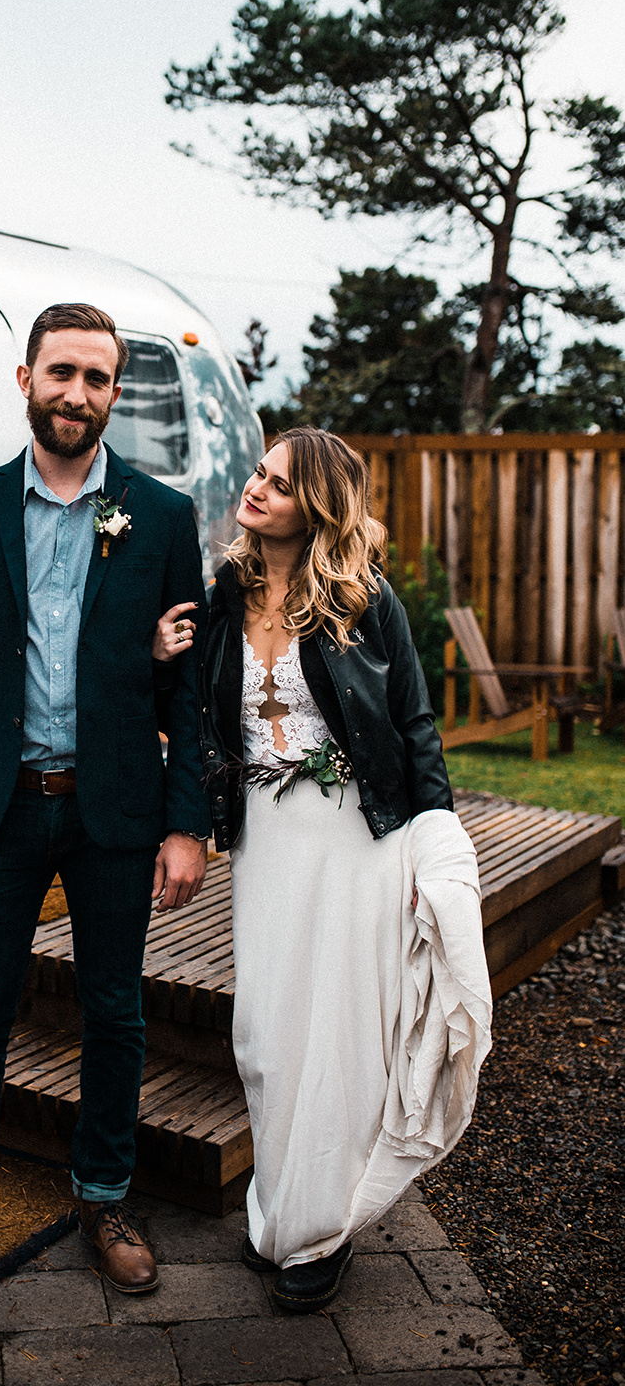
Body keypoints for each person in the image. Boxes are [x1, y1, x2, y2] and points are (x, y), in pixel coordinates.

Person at [0, 303, 212, 1334]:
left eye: (98, 378)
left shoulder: (159, 518)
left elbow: (186, 694)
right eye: (61, 372)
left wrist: (186, 823)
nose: (78, 393)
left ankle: (105, 1200)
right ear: (24, 377)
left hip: (116, 811)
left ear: (116, 393)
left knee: (116, 1016)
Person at [159, 426, 492, 1315]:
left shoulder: (364, 598)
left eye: (279, 483)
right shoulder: (223, 593)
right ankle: (279, 1205)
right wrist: (164, 657)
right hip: (265, 841)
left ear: (318, 507)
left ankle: (317, 1230)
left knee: (339, 1035)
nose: (256, 488)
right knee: (268, 1034)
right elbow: (193, 716)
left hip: (357, 838)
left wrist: (435, 845)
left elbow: (415, 725)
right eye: (259, 473)